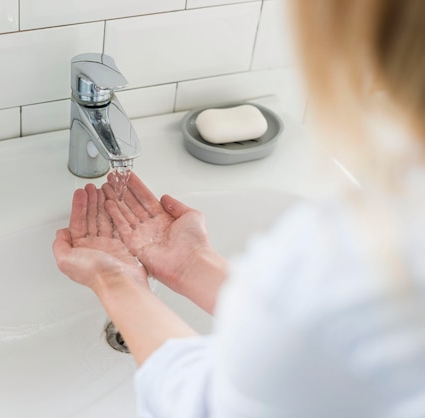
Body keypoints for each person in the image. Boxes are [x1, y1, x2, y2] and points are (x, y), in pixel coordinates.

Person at [52, 1, 425, 416]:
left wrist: (116, 282)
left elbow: (207, 407)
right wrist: (192, 265)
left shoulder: (357, 253)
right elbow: (321, 346)